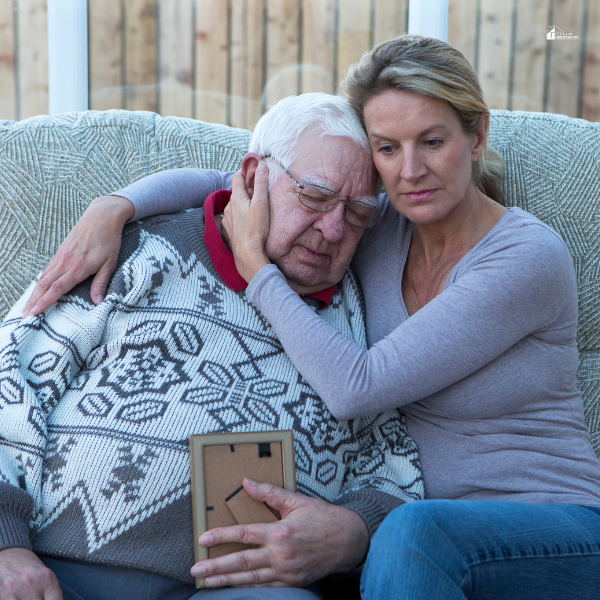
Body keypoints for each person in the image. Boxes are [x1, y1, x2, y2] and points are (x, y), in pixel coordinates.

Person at [22, 35, 600, 598]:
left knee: (412, 532)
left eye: (432, 141)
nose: (410, 171)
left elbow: (358, 387)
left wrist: (256, 267)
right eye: (388, 148)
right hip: (416, 549)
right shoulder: (376, 221)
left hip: (546, 525)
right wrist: (116, 206)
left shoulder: (525, 258)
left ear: (476, 138)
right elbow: (238, 182)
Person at [0, 93, 423, 600]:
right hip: (57, 568)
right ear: (251, 177)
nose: (333, 230)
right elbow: (9, 380)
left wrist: (355, 532)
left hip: (244, 586)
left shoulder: (363, 314)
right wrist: (6, 545)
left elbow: (396, 471)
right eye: (314, 197)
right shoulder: (135, 252)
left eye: (357, 215)